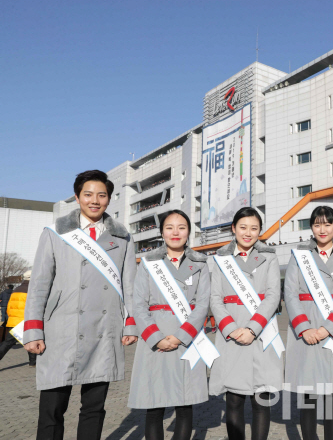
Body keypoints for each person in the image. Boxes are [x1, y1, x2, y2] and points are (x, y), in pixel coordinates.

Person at [23, 170, 138, 440]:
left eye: (102, 195)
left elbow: (130, 285)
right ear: (77, 197)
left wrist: (130, 322)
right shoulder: (55, 233)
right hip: (60, 331)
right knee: (51, 410)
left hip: (103, 331)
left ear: (109, 199)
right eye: (88, 194)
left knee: (94, 409)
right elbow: (39, 284)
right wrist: (33, 330)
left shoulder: (122, 237)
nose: (94, 200)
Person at [128, 210, 211, 440]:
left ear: (189, 232)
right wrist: (157, 338)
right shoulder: (148, 263)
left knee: (185, 405)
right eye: (170, 227)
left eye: (181, 227)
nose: (176, 232)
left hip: (187, 339)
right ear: (161, 232)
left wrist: (180, 336)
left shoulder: (201, 263)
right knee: (154, 406)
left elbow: (203, 305)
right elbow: (139, 304)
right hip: (153, 338)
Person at [209, 207, 283, 440]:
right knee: (233, 400)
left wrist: (252, 328)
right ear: (233, 228)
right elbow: (215, 298)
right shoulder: (220, 258)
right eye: (243, 227)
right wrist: (232, 329)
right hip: (230, 334)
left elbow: (273, 295)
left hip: (261, 332)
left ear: (260, 231)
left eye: (254, 228)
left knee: (262, 399)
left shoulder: (269, 257)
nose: (248, 233)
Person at [284, 206, 333, 440]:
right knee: (307, 395)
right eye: (316, 224)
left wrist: (327, 328)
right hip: (304, 329)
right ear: (311, 228)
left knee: (332, 394)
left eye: (327, 224)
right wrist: (304, 328)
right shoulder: (300, 256)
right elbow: (290, 293)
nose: (322, 229)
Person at [0, 272, 36, 366]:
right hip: (25, 321)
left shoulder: (16, 289)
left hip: (14, 320)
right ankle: (33, 362)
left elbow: (9, 307)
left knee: (9, 343)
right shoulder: (32, 289)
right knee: (30, 339)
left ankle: (33, 362)